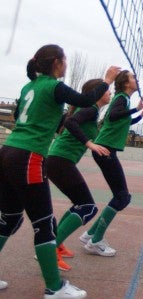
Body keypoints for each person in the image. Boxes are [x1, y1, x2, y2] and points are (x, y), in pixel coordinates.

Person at [0, 44, 120, 298]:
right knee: (43, 224)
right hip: (28, 156)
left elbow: (23, 114)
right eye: (64, 60)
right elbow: (86, 99)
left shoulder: (28, 87)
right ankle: (54, 288)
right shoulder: (53, 86)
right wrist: (107, 80)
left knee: (10, 218)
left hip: (8, 152)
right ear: (57, 62)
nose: (66, 64)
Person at [79, 70, 143, 256]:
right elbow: (113, 116)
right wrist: (135, 108)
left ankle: (91, 234)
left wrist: (140, 113)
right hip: (105, 151)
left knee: (120, 196)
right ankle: (95, 241)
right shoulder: (121, 99)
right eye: (133, 77)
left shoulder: (122, 99)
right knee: (122, 197)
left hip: (106, 150)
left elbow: (123, 120)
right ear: (126, 83)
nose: (137, 80)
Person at [46, 79, 112, 271]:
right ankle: (49, 251)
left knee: (81, 204)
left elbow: (71, 121)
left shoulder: (91, 111)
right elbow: (70, 122)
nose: (110, 94)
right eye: (107, 91)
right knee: (88, 207)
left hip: (58, 160)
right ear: (97, 93)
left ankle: (55, 244)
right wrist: (89, 144)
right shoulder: (91, 109)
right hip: (60, 160)